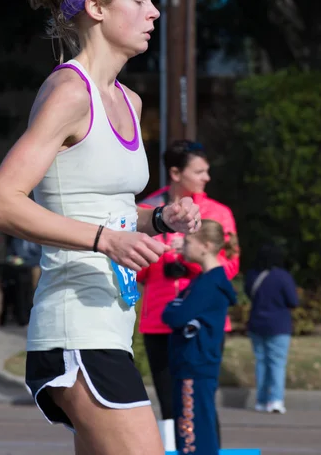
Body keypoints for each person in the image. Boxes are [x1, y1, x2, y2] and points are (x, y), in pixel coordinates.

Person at [0, 0, 202, 455]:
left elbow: (97, 206)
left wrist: (159, 218)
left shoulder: (130, 100)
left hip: (111, 325)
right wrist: (107, 241)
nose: (154, 11)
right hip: (74, 328)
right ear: (97, 8)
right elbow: (2, 203)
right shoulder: (69, 93)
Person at [136, 139, 239, 446]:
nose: (206, 178)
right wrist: (160, 254)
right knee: (169, 403)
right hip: (159, 319)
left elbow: (229, 268)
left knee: (200, 403)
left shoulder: (218, 213)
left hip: (204, 321)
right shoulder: (147, 209)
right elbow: (133, 269)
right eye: (199, 171)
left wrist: (188, 259)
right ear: (176, 173)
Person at [162, 220, 237, 455]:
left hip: (194, 367)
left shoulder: (209, 285)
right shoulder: (203, 282)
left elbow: (174, 315)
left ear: (205, 246)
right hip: (192, 365)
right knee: (195, 431)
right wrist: (176, 308)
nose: (182, 246)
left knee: (192, 435)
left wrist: (176, 307)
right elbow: (173, 312)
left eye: (187, 241)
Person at [244, 243, 299, 414]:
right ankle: (275, 400)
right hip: (279, 325)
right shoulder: (283, 276)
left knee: (261, 362)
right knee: (277, 363)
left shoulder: (252, 275)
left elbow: (248, 294)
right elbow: (293, 301)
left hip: (256, 323)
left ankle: (261, 400)